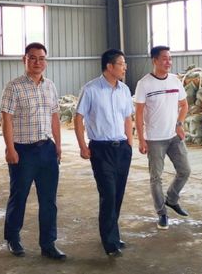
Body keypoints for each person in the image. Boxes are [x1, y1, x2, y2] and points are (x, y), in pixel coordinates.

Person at [0, 42, 66, 260]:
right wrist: (10, 149)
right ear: (24, 60)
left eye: (42, 58)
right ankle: (13, 238)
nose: (38, 62)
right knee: (19, 196)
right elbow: (6, 119)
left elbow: (54, 117)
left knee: (49, 200)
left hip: (47, 149)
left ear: (46, 61)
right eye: (33, 58)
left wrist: (58, 145)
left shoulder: (50, 86)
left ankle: (48, 243)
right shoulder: (14, 87)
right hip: (23, 151)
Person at [74, 49, 134, 257]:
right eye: (121, 64)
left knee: (118, 194)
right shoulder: (91, 89)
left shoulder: (124, 90)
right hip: (101, 149)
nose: (125, 68)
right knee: (108, 194)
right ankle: (109, 241)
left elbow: (128, 118)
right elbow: (78, 118)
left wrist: (129, 144)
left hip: (122, 149)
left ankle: (113, 234)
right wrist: (82, 146)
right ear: (109, 66)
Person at [134, 45, 191, 230]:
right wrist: (141, 138)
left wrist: (179, 124)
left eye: (170, 58)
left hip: (174, 136)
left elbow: (184, 105)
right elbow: (139, 113)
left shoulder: (175, 81)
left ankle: (172, 199)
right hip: (154, 139)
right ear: (155, 61)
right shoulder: (144, 84)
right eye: (164, 58)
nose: (168, 62)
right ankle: (162, 213)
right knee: (156, 178)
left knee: (185, 171)